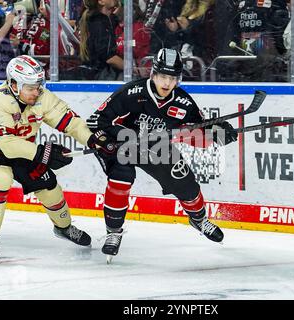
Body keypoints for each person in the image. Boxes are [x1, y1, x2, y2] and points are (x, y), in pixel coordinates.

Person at [85, 48, 238, 262]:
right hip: (120, 145)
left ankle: (199, 219)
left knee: (184, 181)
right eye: (163, 77)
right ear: (153, 75)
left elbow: (198, 130)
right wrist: (116, 138)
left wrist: (219, 133)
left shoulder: (183, 102)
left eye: (172, 78)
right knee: (122, 177)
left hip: (155, 146)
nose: (166, 83)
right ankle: (113, 232)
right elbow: (95, 122)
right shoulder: (131, 93)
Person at [0, 55, 93, 261]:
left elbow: (71, 122)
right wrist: (45, 154)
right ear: (14, 85)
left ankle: (64, 227)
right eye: (31, 87)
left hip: (22, 150)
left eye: (39, 85)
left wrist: (94, 140)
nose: (37, 91)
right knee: (0, 177)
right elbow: (6, 144)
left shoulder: (42, 96)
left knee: (48, 184)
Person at [78, 0, 123, 80]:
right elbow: (110, 58)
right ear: (101, 1)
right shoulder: (98, 23)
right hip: (99, 78)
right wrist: (133, 69)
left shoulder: (107, 19)